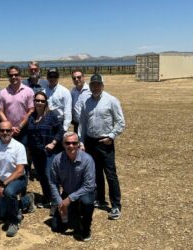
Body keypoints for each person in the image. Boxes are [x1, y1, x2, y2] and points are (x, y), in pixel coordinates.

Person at [79, 73, 125, 220]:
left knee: (110, 174)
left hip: (105, 142)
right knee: (95, 172)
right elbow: (83, 124)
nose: (95, 87)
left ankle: (116, 205)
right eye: (93, 85)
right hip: (90, 142)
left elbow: (120, 122)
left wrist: (111, 136)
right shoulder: (86, 102)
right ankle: (100, 199)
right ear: (90, 86)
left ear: (103, 85)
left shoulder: (111, 100)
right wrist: (81, 141)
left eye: (98, 84)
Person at [0, 121, 35, 237]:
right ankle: (27, 200)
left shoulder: (19, 147)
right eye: (2, 130)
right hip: (2, 181)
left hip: (18, 179)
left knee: (9, 192)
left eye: (8, 130)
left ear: (12, 132)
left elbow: (20, 170)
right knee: (2, 215)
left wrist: (3, 186)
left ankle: (14, 222)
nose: (5, 133)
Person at [50, 132, 96, 241]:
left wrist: (69, 199)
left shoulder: (87, 160)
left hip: (85, 192)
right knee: (57, 227)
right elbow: (53, 182)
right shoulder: (57, 159)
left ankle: (86, 227)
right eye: (68, 143)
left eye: (74, 143)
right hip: (68, 192)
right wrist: (59, 202)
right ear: (63, 144)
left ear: (78, 144)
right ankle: (74, 211)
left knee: (87, 203)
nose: (71, 146)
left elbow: (89, 185)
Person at [27, 92, 64, 208]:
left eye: (42, 101)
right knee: (41, 175)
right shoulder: (31, 116)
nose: (39, 103)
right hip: (35, 152)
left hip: (49, 152)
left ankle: (56, 201)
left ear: (46, 102)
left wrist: (53, 143)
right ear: (34, 101)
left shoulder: (51, 115)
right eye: (37, 100)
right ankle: (47, 197)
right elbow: (29, 133)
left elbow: (60, 130)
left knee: (50, 176)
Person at [0, 65, 35, 178]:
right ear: (8, 77)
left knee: (24, 155)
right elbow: (0, 111)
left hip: (24, 130)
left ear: (20, 75)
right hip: (8, 131)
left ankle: (24, 178)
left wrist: (19, 126)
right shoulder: (3, 92)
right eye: (11, 75)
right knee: (9, 155)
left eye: (16, 75)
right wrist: (10, 127)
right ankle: (10, 177)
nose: (14, 77)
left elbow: (31, 110)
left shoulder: (28, 91)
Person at [42, 68, 72, 132]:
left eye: (55, 76)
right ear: (47, 78)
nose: (52, 78)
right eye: (50, 76)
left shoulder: (65, 92)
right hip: (46, 122)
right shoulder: (43, 92)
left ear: (58, 77)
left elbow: (68, 111)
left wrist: (65, 128)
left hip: (60, 122)